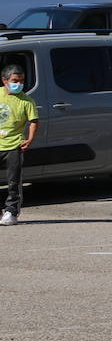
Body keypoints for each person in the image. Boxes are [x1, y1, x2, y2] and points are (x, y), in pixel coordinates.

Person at [0, 64, 39, 226]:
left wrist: (29, 139)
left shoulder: (26, 100)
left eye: (21, 81)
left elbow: (33, 121)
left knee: (13, 181)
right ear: (5, 81)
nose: (19, 84)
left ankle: (12, 212)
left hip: (14, 146)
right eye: (15, 81)